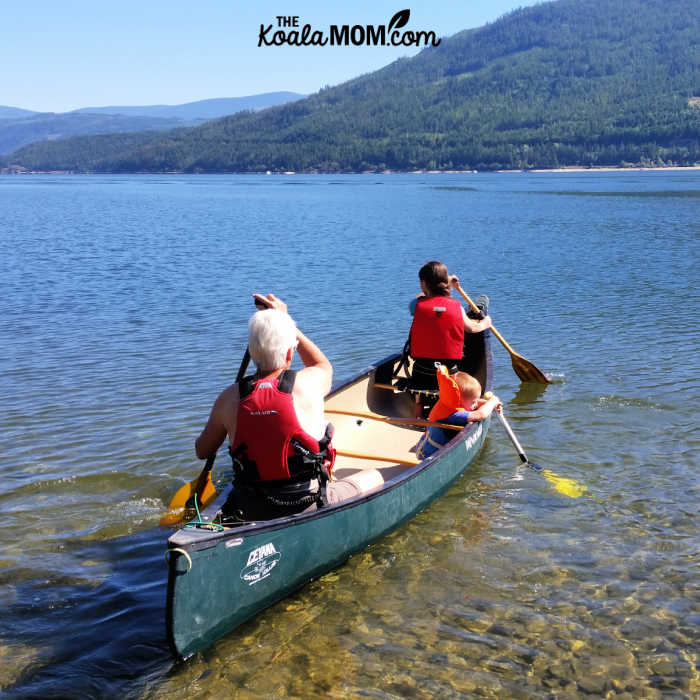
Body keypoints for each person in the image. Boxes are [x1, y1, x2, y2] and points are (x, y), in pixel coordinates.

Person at [195, 293, 376, 522]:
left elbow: (202, 451)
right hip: (306, 503)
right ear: (291, 351)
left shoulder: (229, 398)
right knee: (374, 477)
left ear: (251, 352)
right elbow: (323, 365)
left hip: (249, 505)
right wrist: (286, 320)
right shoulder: (309, 383)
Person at [408, 260, 491, 415]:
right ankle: (450, 408)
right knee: (457, 370)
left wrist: (447, 283)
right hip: (448, 377)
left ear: (423, 284)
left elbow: (422, 297)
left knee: (420, 372)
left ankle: (417, 409)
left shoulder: (415, 306)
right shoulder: (458, 308)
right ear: (444, 283)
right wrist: (486, 323)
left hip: (421, 374)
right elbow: (473, 328)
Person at [415, 365, 502, 459]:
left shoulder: (451, 403)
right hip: (428, 455)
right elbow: (480, 414)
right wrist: (493, 401)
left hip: (429, 443)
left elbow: (473, 404)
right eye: (474, 402)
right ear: (459, 401)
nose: (476, 404)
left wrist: (489, 405)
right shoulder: (455, 415)